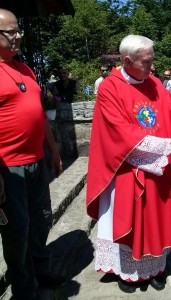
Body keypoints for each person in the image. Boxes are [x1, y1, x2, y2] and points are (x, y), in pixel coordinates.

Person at [86, 34, 171, 294]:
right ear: (127, 60)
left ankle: (156, 269)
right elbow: (119, 133)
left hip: (159, 168)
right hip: (128, 169)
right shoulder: (110, 87)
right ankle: (128, 273)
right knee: (131, 219)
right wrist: (168, 145)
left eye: (152, 61)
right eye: (146, 62)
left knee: (157, 219)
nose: (152, 68)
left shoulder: (154, 82)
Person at [0, 9, 64, 300]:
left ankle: (41, 270)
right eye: (11, 32)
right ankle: (23, 288)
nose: (18, 36)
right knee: (17, 229)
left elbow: (39, 116)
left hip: (36, 161)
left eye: (17, 30)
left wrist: (52, 150)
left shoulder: (24, 69)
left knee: (42, 219)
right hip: (8, 167)